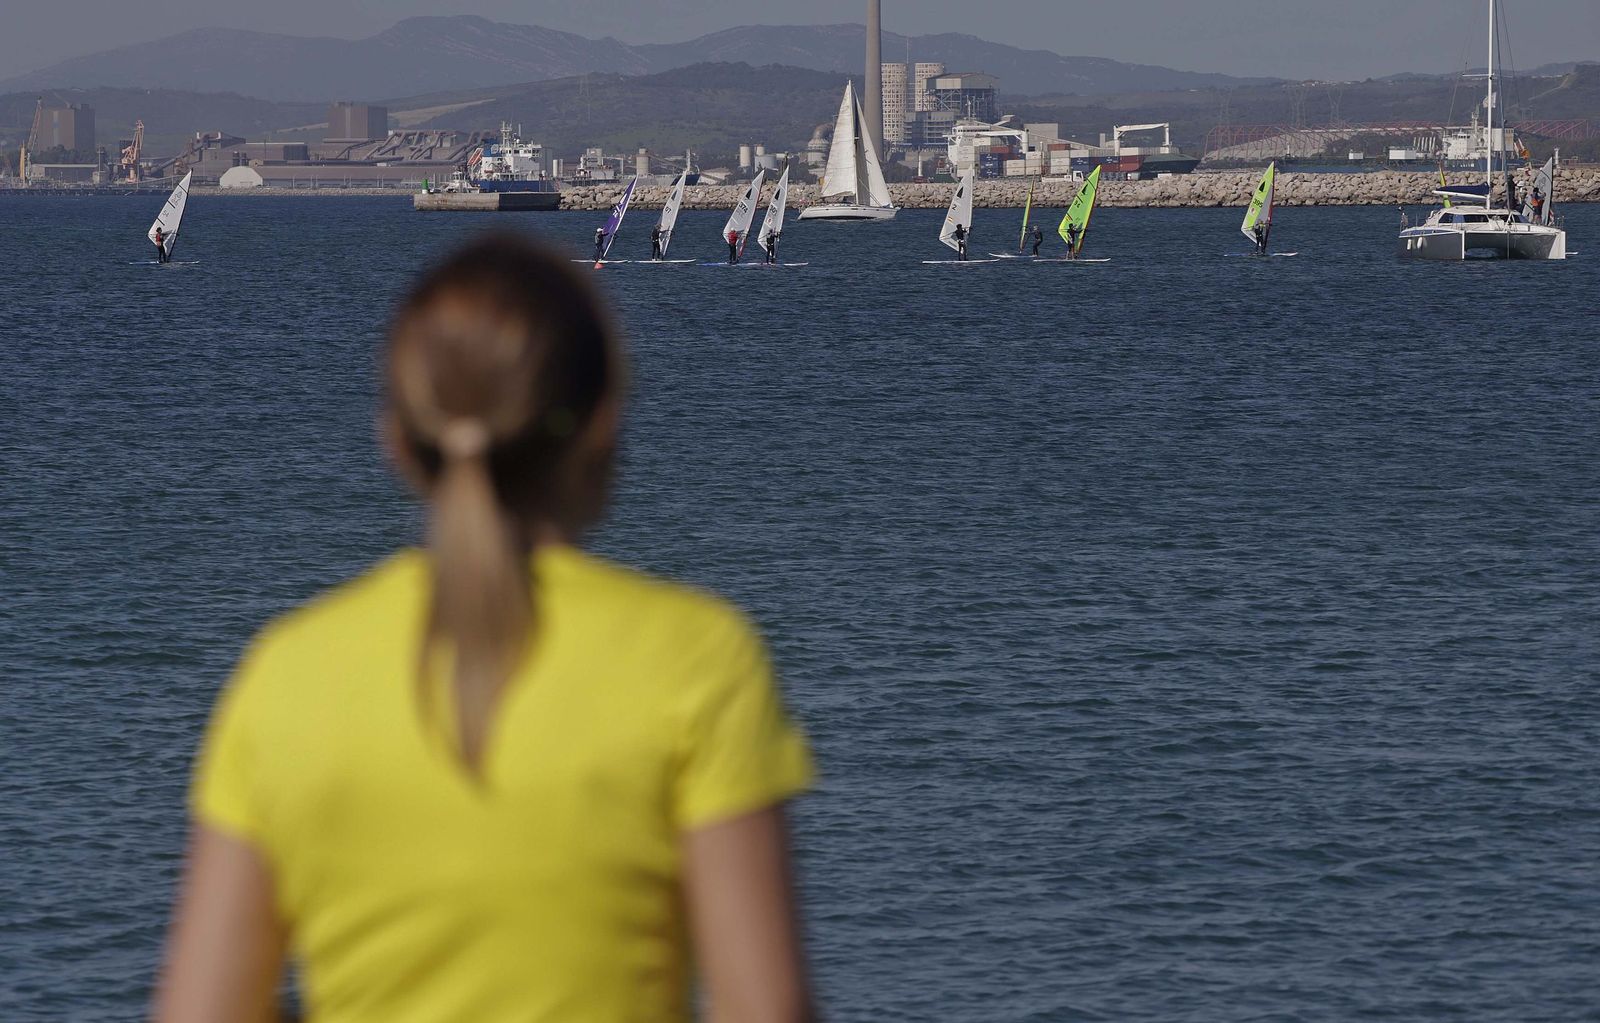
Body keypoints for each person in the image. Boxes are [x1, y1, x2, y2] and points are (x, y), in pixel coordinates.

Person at [155, 235, 817, 1023]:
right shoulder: (696, 659)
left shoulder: (286, 674)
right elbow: (764, 1007)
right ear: (603, 425)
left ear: (398, 442)